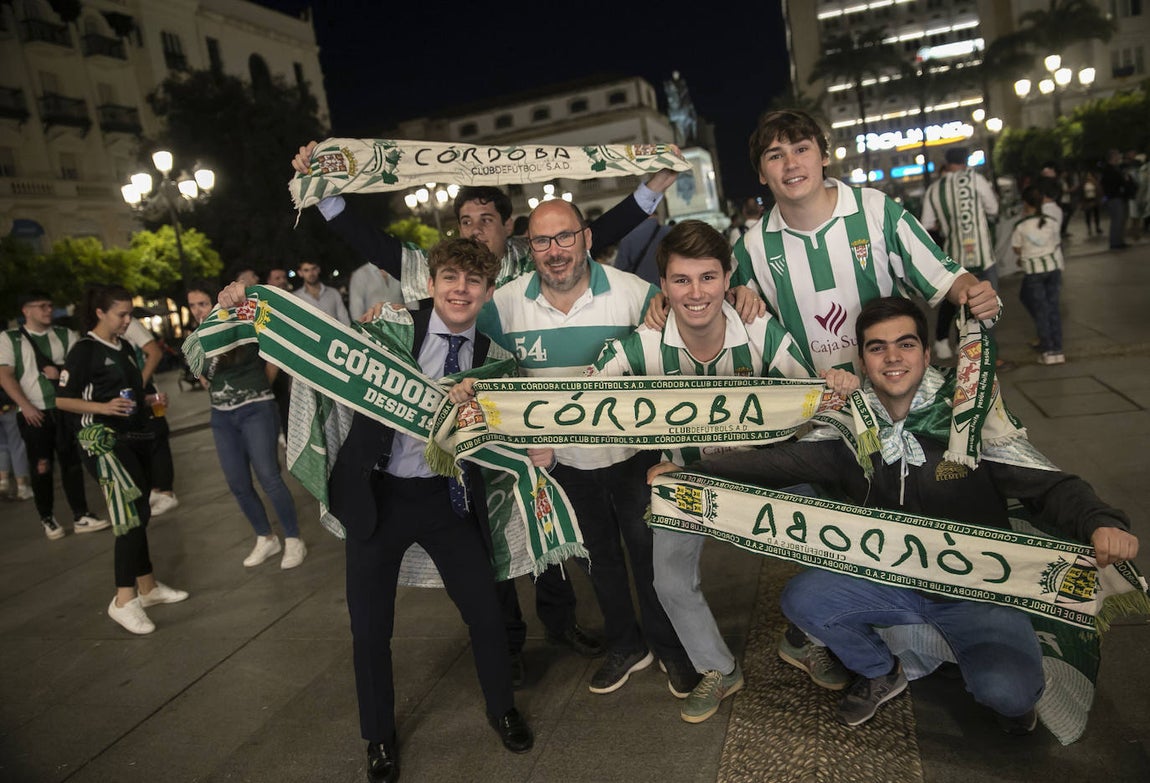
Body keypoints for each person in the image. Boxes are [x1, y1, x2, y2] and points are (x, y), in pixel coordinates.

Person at [649, 296, 1139, 733]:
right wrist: (688, 471)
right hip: (890, 579)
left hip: (978, 590)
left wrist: (1101, 521)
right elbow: (774, 463)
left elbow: (1052, 485)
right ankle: (881, 670)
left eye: (905, 344)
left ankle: (985, 672)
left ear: (926, 354)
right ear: (862, 360)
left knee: (1007, 695)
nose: (893, 357)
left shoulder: (967, 419)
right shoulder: (851, 428)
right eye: (877, 347)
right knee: (805, 598)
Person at [289, 142, 685, 678]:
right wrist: (327, 196)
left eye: (485, 220)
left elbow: (598, 231)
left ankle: (563, 623)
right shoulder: (444, 271)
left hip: (554, 442)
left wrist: (655, 185)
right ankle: (511, 646)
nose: (475, 230)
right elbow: (382, 251)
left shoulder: (531, 261)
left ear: (510, 231)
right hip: (485, 434)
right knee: (491, 541)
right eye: (465, 220)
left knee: (561, 539)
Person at [221, 238, 534, 782]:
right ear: (431, 284)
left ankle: (502, 708)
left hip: (446, 499)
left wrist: (522, 436)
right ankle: (379, 738)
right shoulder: (387, 329)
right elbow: (315, 343)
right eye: (451, 277)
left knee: (486, 611)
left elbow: (518, 426)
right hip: (376, 494)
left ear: (486, 293)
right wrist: (248, 302)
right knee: (370, 630)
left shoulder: (495, 361)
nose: (461, 289)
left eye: (473, 282)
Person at [588, 220, 857, 722]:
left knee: (830, 538)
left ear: (728, 276)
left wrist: (837, 384)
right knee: (668, 580)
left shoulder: (756, 327)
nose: (696, 293)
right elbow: (580, 400)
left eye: (708, 278)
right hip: (686, 476)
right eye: (682, 280)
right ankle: (718, 668)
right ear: (663, 286)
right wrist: (494, 399)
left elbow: (811, 393)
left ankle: (804, 639)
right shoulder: (645, 341)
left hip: (764, 469)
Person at [466, 198, 698, 698]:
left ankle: (671, 648)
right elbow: (457, 328)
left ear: (587, 239)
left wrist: (742, 295)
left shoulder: (635, 294)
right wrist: (394, 316)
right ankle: (626, 645)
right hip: (561, 463)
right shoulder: (505, 303)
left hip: (634, 456)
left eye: (565, 237)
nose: (555, 251)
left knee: (650, 555)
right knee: (598, 561)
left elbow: (690, 322)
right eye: (542, 241)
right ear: (529, 248)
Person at [690, 109, 999, 376]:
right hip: (816, 419)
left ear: (823, 156)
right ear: (761, 173)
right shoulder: (750, 248)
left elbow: (947, 277)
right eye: (775, 155)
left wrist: (974, 293)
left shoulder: (876, 210)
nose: (790, 164)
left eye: (801, 149)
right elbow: (711, 311)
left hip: (895, 402)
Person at [56, 284, 189, 635]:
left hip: (132, 436)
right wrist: (102, 407)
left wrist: (148, 400)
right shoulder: (84, 351)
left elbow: (129, 392)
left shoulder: (124, 346)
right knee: (131, 517)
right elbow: (62, 400)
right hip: (102, 442)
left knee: (139, 510)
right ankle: (123, 599)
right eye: (122, 314)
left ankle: (148, 589)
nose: (128, 320)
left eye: (130, 313)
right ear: (100, 313)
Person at [186, 282, 306, 570]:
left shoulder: (242, 318)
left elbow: (273, 347)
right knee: (237, 483)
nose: (198, 310)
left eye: (203, 303)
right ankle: (266, 537)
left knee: (269, 477)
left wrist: (261, 384)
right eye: (192, 305)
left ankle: (293, 539)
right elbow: (202, 376)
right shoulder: (200, 335)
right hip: (222, 415)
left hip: (256, 407)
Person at [0, 291, 109, 538]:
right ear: (26, 310)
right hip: (33, 412)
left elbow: (78, 369)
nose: (48, 310)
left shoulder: (64, 335)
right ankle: (47, 517)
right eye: (41, 306)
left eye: (50, 305)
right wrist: (25, 405)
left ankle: (81, 514)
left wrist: (58, 371)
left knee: (72, 463)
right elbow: (4, 374)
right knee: (42, 466)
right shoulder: (10, 339)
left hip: (64, 409)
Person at [921, 146, 999, 360]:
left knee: (955, 301)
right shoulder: (977, 180)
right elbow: (993, 209)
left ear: (947, 162)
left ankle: (955, 346)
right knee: (986, 305)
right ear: (966, 161)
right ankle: (984, 356)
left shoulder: (934, 189)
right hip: (983, 257)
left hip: (954, 258)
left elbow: (927, 223)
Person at [123, 317, 178, 515]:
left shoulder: (129, 324)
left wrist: (139, 387)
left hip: (144, 391)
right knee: (141, 441)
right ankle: (155, 490)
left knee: (157, 435)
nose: (125, 318)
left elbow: (154, 352)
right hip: (129, 394)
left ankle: (166, 492)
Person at [1013, 186, 1066, 366]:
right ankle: (1058, 350)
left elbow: (1017, 249)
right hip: (1053, 269)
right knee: (1053, 309)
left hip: (1034, 272)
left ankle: (1048, 350)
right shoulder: (1051, 221)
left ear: (1025, 203)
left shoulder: (1021, 226)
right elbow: (1057, 243)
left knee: (1042, 311)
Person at [294, 260, 350, 324]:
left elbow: (344, 319)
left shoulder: (333, 293)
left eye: (313, 268)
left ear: (318, 269)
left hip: (334, 333)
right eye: (306, 270)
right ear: (300, 273)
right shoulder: (296, 297)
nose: (311, 273)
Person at [1100, 149, 1133, 250]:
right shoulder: (1109, 170)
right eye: (1117, 155)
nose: (1119, 157)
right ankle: (1115, 243)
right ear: (1113, 157)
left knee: (1120, 220)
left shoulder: (1114, 169)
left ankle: (1119, 241)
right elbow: (1114, 183)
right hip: (1114, 197)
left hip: (1116, 197)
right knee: (1117, 220)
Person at [1080, 170, 1102, 236]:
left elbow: (1099, 190)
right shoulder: (1084, 183)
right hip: (1087, 200)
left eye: (1090, 176)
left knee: (1096, 214)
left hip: (1094, 199)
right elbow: (1081, 192)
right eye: (1088, 176)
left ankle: (1097, 227)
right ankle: (1089, 228)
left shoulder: (1095, 183)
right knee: (1088, 215)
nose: (1089, 177)